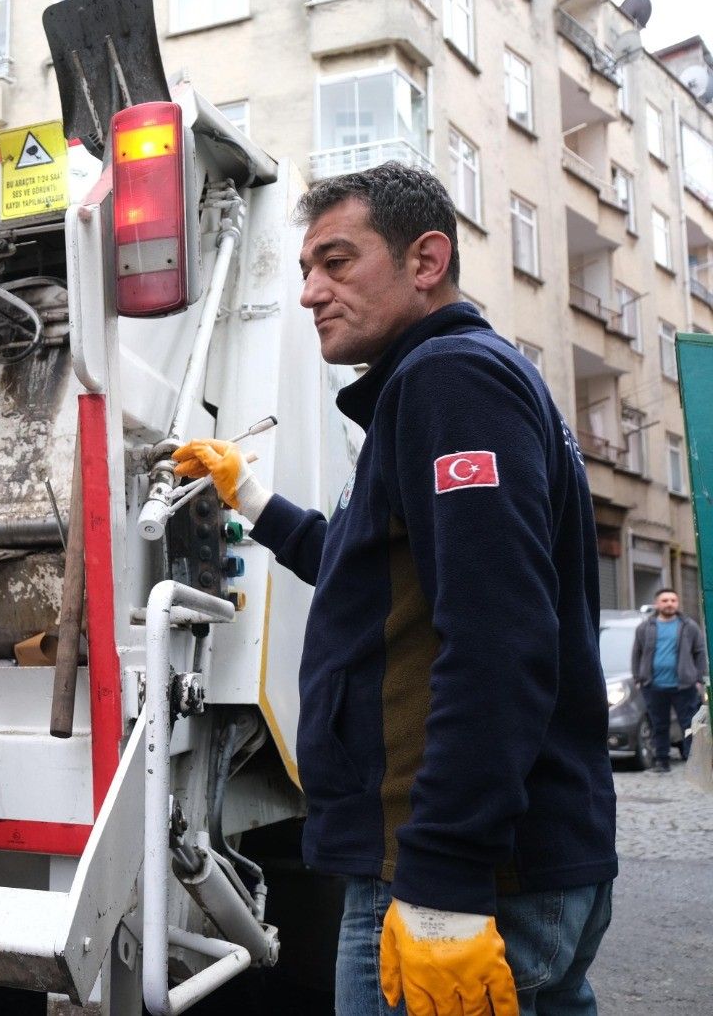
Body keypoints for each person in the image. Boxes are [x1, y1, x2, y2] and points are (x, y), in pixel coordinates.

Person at [174, 163, 616, 1015]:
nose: (310, 293)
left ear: (426, 261)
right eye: (305, 269)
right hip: (499, 866)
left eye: (337, 263)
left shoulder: (452, 381)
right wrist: (250, 497)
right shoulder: (447, 386)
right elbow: (369, 570)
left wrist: (445, 880)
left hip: (456, 876)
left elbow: (497, 638)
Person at [631, 587, 708, 773]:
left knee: (689, 725)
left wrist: (698, 678)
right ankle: (662, 762)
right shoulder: (645, 627)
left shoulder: (688, 625)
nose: (669, 604)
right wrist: (638, 678)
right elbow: (637, 653)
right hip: (654, 685)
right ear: (657, 604)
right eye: (665, 600)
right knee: (659, 725)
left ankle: (694, 764)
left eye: (673, 600)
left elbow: (699, 652)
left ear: (677, 603)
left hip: (684, 685)